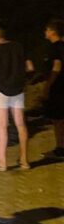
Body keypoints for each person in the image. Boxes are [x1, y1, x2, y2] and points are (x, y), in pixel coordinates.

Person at [0, 20, 29, 171]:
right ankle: (24, 160)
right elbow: (30, 66)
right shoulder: (18, 46)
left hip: (1, 90)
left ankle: (2, 162)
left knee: (2, 126)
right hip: (18, 89)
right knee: (20, 124)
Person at [42, 19, 64, 158]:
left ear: (52, 32)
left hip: (59, 86)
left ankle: (61, 148)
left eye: (47, 30)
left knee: (59, 119)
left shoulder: (55, 47)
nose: (45, 32)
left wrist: (48, 85)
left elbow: (57, 67)